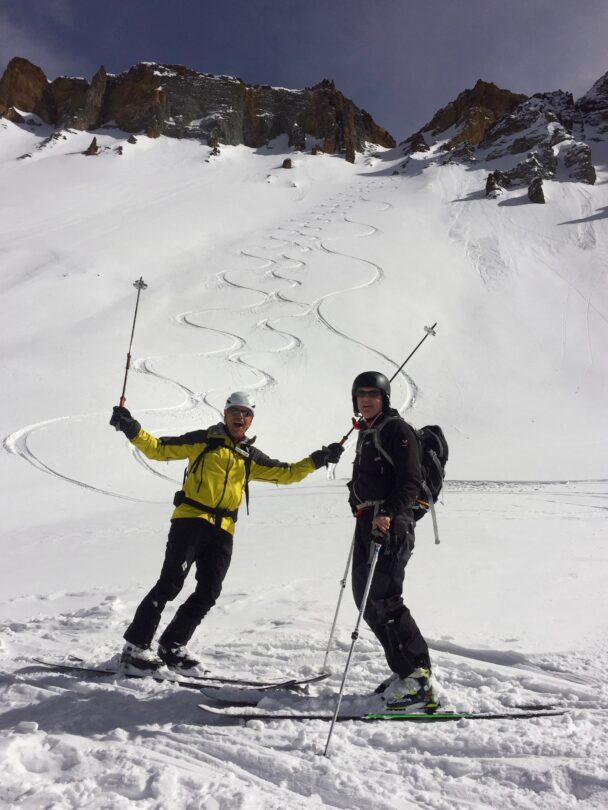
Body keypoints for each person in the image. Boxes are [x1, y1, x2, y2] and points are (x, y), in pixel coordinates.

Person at [110, 391, 343, 674]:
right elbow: (159, 448)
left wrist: (319, 458)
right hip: (191, 520)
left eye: (246, 414)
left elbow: (287, 473)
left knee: (209, 592)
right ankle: (135, 647)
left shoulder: (249, 455)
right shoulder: (204, 440)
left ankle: (172, 646)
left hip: (223, 530)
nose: (240, 417)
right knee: (170, 583)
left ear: (251, 421)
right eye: (236, 412)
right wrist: (131, 427)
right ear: (225, 414)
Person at [347, 371, 436, 711]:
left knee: (385, 600)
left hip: (390, 524)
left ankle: (418, 679)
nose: (367, 399)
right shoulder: (369, 431)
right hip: (369, 521)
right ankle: (405, 673)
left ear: (385, 398)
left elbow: (411, 480)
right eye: (361, 394)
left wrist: (387, 513)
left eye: (374, 394)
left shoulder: (396, 430)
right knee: (368, 600)